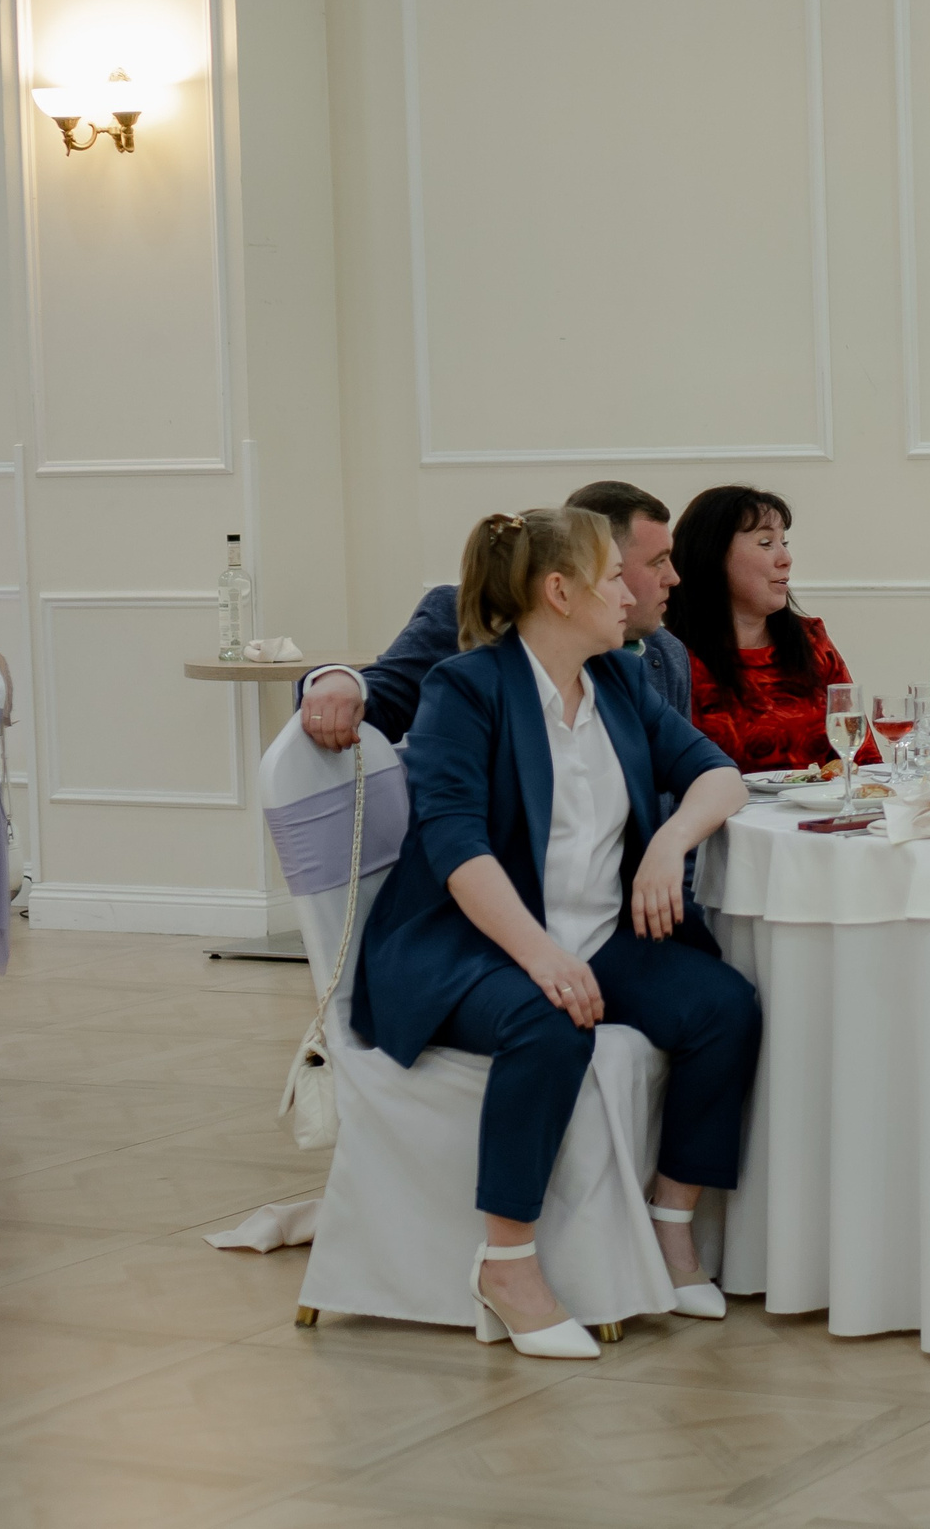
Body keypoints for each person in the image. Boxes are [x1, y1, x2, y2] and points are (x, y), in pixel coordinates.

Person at [352, 507, 758, 1359]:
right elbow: (455, 846)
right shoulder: (464, 687)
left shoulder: (617, 681)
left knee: (725, 1008)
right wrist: (541, 957)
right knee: (548, 1019)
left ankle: (670, 1222)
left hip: (597, 931)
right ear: (559, 590)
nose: (632, 591)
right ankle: (507, 1261)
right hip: (472, 941)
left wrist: (667, 844)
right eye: (615, 575)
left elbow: (718, 776)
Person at [298, 482, 689, 750]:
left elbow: (684, 784)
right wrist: (339, 679)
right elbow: (384, 700)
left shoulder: (660, 654)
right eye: (656, 562)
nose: (673, 577)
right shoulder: (466, 641)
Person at [667, 485, 868, 772]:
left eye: (784, 543)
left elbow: (862, 757)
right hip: (723, 816)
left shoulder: (812, 640)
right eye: (765, 543)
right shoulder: (671, 655)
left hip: (819, 814)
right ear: (712, 554)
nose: (786, 559)